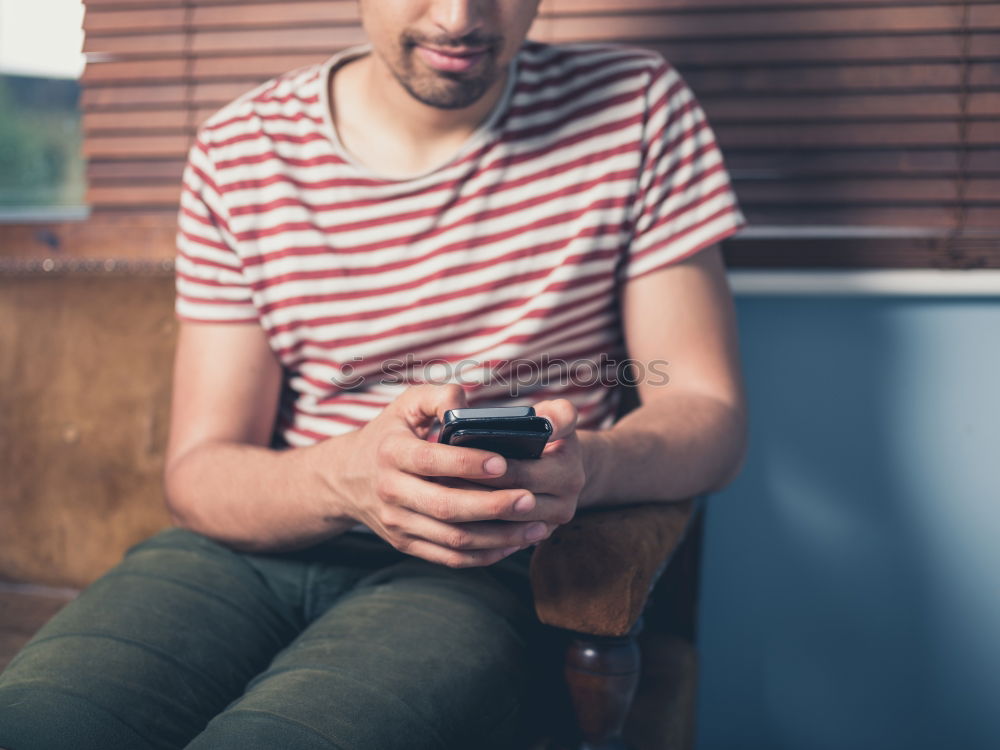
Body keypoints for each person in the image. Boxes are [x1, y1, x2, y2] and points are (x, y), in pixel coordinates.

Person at [0, 1, 748, 748]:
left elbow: (705, 409)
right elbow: (198, 470)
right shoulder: (241, 148)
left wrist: (588, 468)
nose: (459, 18)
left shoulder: (638, 106)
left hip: (482, 567)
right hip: (259, 545)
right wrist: (347, 478)